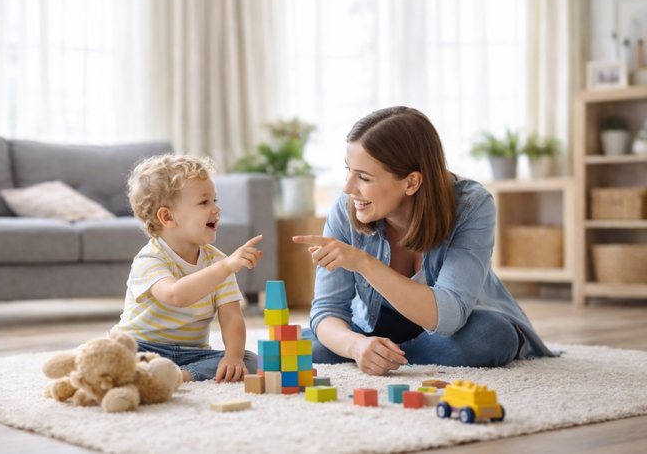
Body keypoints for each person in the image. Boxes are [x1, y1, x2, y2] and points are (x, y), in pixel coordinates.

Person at [293, 107, 556, 376]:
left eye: (363, 177)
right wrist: (357, 346)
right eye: (348, 170)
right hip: (376, 327)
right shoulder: (347, 208)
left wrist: (364, 263)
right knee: (301, 341)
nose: (347, 188)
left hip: (454, 329)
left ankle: (390, 355)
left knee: (492, 337)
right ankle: (381, 353)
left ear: (412, 183)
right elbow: (328, 309)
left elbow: (449, 318)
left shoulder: (472, 205)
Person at [111, 154, 263, 383]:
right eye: (204, 202)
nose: (216, 209)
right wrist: (226, 266)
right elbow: (176, 295)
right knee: (107, 356)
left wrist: (232, 356)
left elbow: (231, 317)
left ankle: (178, 377)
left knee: (249, 360)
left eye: (215, 200)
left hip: (192, 353)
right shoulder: (149, 259)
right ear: (168, 217)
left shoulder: (217, 262)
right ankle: (149, 373)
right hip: (141, 347)